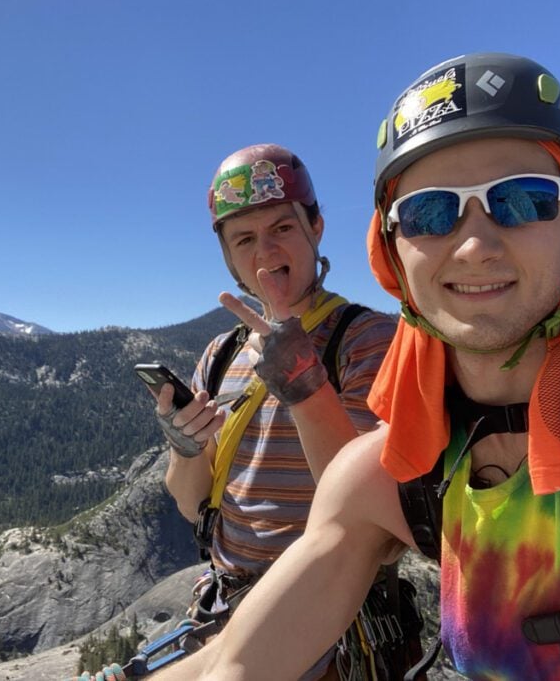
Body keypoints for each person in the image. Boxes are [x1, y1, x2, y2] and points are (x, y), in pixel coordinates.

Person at [152, 53, 560, 680]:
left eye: (524, 201)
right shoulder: (393, 466)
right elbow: (232, 665)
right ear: (391, 251)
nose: (476, 245)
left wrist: (305, 387)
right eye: (431, 213)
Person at [149, 143, 398, 679]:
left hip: (332, 619)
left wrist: (305, 383)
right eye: (244, 238)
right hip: (226, 606)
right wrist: (185, 446)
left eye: (282, 228)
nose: (264, 251)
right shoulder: (221, 355)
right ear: (228, 257)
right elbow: (194, 506)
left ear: (317, 228)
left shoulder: (369, 341)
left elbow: (373, 510)